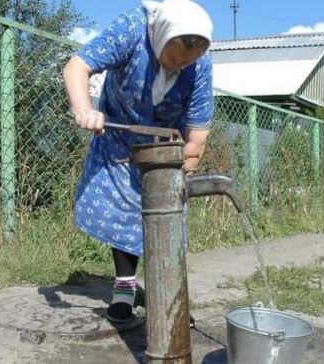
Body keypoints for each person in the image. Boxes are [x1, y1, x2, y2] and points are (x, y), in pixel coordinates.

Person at [62, 0, 214, 323]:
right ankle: (124, 288)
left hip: (165, 148)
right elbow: (77, 66)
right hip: (119, 140)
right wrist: (85, 109)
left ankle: (172, 300)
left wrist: (183, 173)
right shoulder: (132, 29)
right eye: (173, 60)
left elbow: (198, 133)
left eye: (186, 64)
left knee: (171, 218)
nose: (178, 68)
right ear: (160, 39)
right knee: (123, 215)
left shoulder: (200, 64)